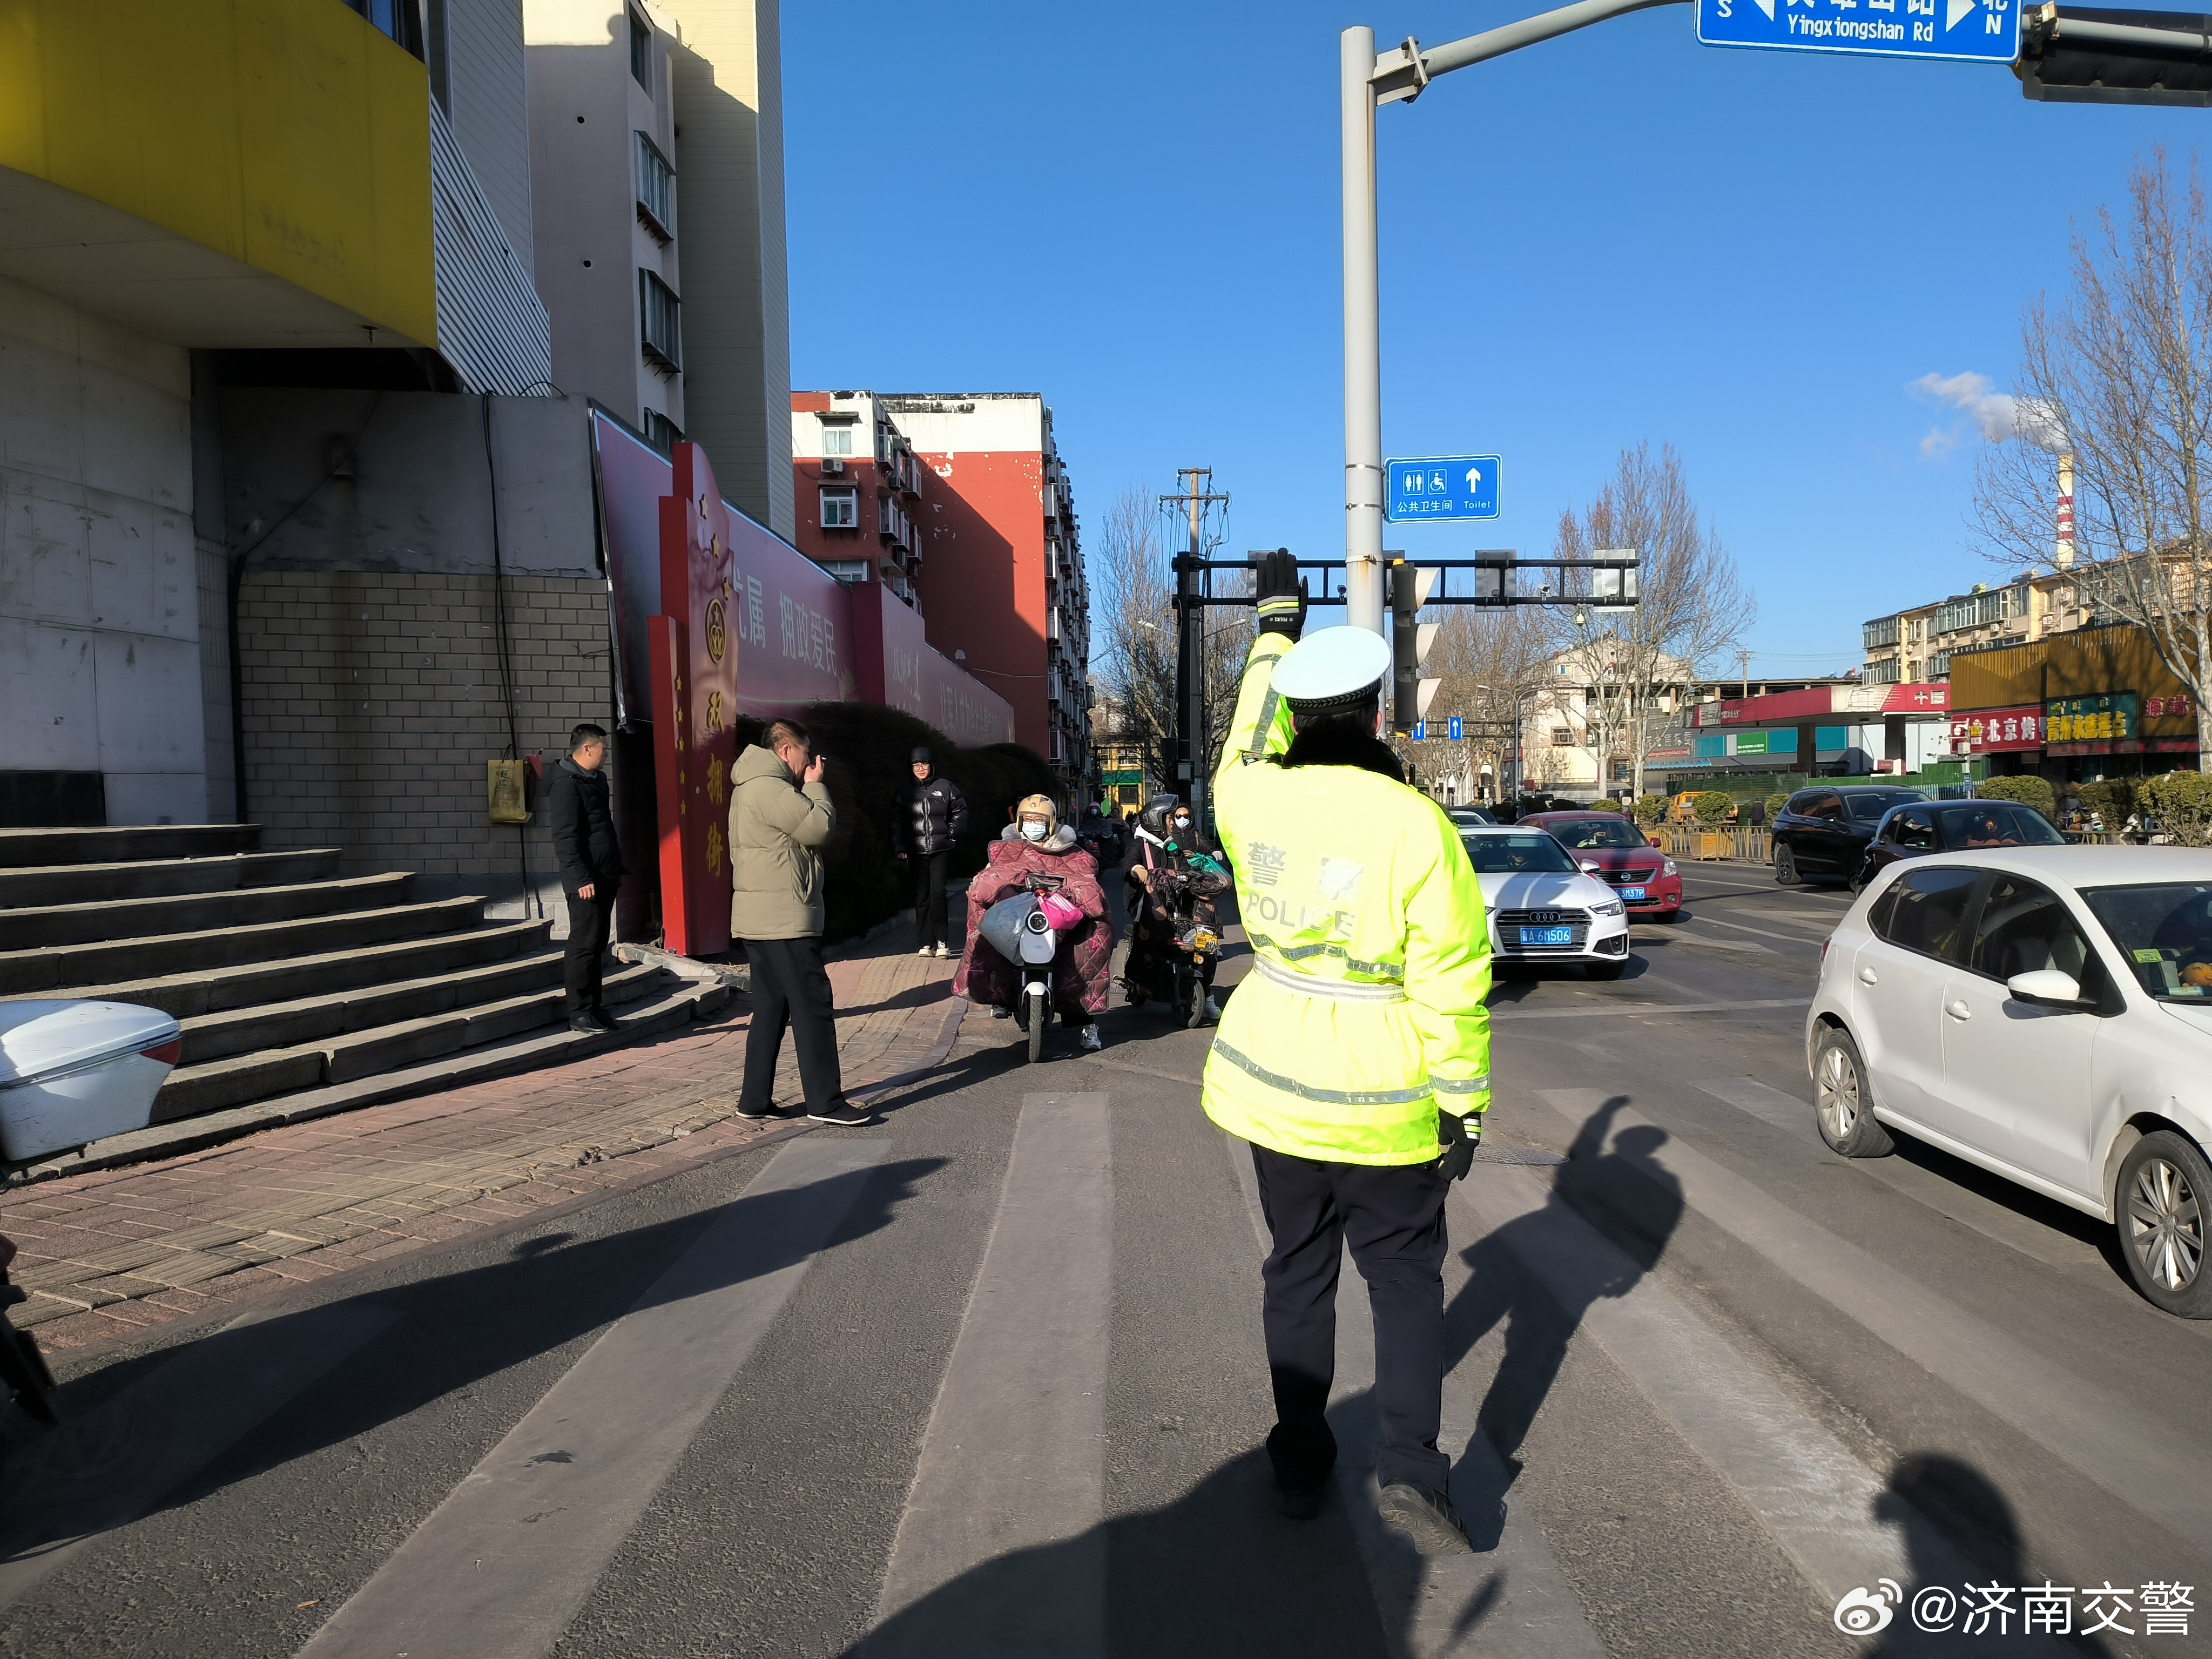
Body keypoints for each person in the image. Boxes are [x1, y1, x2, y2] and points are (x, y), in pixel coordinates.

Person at [1205, 549, 1493, 1556]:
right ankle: (1412, 1467)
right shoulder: (1418, 825)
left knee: (1296, 1274)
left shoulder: (1247, 800)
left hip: (1278, 1085)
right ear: (1376, 714)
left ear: (1292, 712)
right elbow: (1453, 975)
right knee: (1407, 1282)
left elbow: (1246, 732)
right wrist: (1461, 1104)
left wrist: (1274, 627)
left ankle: (1296, 1463)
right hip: (1387, 1094)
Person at [729, 719, 871, 1127]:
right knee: (813, 1007)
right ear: (787, 749)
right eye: (806, 753)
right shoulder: (770, 788)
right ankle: (825, 1103)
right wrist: (816, 786)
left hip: (762, 919)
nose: (810, 762)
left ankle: (754, 1099)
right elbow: (818, 828)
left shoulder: (749, 787)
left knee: (771, 1008)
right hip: (785, 919)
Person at [953, 793, 1112, 1051]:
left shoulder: (1072, 852)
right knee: (992, 933)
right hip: (1018, 919)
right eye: (1027, 819)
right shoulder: (1005, 850)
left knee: (1086, 947)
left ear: (1050, 823)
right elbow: (987, 882)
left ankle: (1086, 1021)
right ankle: (1002, 996)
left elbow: (1086, 879)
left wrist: (1071, 891)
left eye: (1039, 820)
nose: (1032, 824)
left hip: (1061, 917)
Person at [544, 723, 625, 1034]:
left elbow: (601, 829)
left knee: (597, 943)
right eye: (603, 748)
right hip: (585, 882)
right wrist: (580, 878)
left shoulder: (596, 779)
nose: (607, 754)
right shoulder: (566, 784)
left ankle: (595, 1008)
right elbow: (566, 837)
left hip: (605, 875)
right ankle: (579, 1012)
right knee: (583, 943)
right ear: (587, 749)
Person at [1122, 794, 1231, 1020]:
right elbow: (1129, 865)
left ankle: (1207, 995)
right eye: (1171, 817)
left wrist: (1198, 873)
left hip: (1179, 904)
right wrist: (1138, 871)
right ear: (1157, 819)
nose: (1174, 822)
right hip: (1149, 904)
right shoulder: (1140, 844)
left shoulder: (1174, 846)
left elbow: (1185, 869)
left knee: (1204, 942)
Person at [894, 746, 968, 959]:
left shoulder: (945, 787)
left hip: (940, 850)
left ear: (930, 765)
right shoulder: (905, 791)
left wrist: (950, 835)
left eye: (923, 764)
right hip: (915, 851)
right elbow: (896, 822)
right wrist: (900, 847)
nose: (920, 769)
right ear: (911, 768)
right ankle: (926, 943)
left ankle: (942, 941)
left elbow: (961, 811)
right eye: (916, 765)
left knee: (938, 894)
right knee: (921, 897)